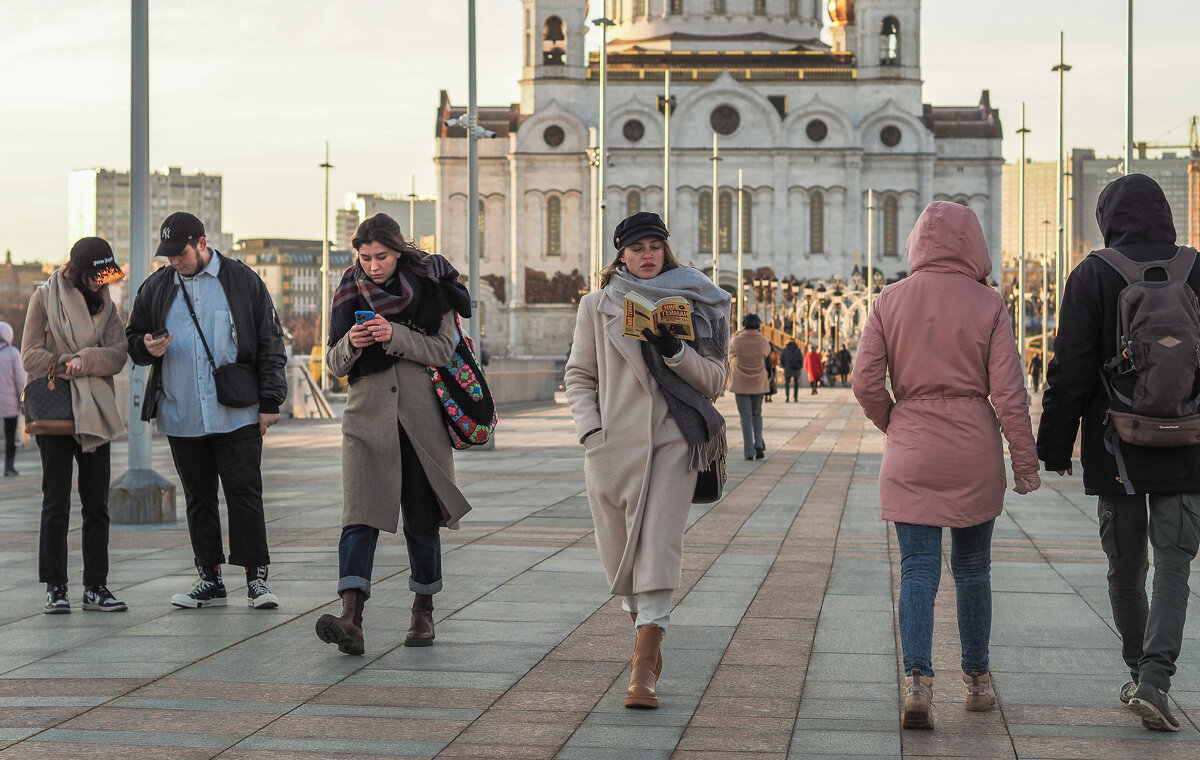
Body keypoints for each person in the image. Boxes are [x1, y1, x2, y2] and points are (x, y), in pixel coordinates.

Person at [853, 202, 1040, 730]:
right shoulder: (989, 304)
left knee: (917, 570)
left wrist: (897, 422)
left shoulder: (889, 300)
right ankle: (977, 682)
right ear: (973, 245)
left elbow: (865, 382)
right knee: (974, 569)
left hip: (912, 446)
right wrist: (1024, 464)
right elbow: (1008, 392)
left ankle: (917, 681)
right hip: (972, 449)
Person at [1037, 174, 1200, 732]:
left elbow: (1070, 367)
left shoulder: (1093, 273)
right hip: (1189, 439)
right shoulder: (1196, 267)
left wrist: (1055, 443)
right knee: (1175, 560)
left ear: (1108, 216)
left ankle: (1139, 672)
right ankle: (1156, 677)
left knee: (1126, 566)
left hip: (1116, 444)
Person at [565, 211, 729, 710]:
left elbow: (716, 381)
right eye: (636, 248)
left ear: (666, 249)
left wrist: (675, 350)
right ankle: (645, 629)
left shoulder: (695, 300)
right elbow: (578, 375)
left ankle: (643, 663)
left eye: (655, 245)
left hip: (675, 441)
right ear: (621, 255)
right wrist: (591, 432)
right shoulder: (596, 306)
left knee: (658, 544)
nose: (647, 255)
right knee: (620, 558)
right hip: (612, 447)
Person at [314, 213, 473, 655]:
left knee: (422, 520)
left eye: (381, 256)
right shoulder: (348, 287)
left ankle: (423, 613)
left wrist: (394, 333)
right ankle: (351, 617)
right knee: (359, 518)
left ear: (399, 251)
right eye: (364, 258)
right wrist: (356, 342)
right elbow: (334, 362)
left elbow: (443, 349)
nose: (372, 266)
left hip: (421, 421)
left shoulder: (430, 283)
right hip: (366, 419)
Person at [126, 212, 287, 610]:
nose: (174, 262)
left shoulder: (242, 280)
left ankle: (256, 580)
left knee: (244, 494)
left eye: (179, 253)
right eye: (168, 256)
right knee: (199, 498)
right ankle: (210, 580)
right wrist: (146, 347)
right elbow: (132, 338)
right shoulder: (157, 287)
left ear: (201, 243)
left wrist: (271, 402)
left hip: (237, 413)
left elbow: (269, 341)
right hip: (182, 413)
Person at [21, 238, 129, 613]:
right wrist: (67, 363)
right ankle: (56, 587)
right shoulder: (44, 298)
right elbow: (29, 356)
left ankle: (96, 586)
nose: (101, 283)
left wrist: (88, 359)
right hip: (57, 411)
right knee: (56, 502)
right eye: (95, 276)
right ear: (78, 271)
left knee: (97, 503)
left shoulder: (108, 306)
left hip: (95, 413)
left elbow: (118, 354)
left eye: (105, 276)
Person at [730, 313, 770, 459]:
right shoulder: (763, 341)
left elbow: (729, 350)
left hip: (741, 383)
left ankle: (748, 452)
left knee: (745, 418)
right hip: (759, 383)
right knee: (757, 414)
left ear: (744, 324)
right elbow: (767, 353)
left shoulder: (737, 340)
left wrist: (739, 333)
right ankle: (758, 443)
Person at [0, 321, 24, 477]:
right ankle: (9, 467)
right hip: (10, 405)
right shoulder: (14, 354)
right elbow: (20, 381)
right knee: (10, 437)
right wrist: (22, 401)